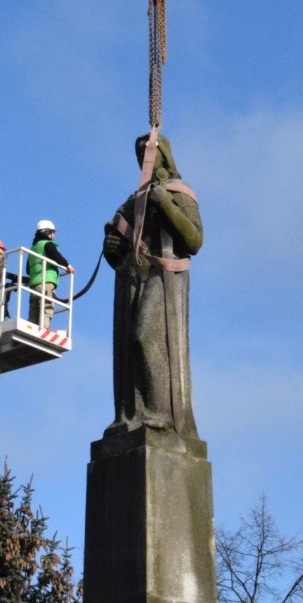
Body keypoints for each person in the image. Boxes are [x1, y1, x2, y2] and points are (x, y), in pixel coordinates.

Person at [103, 132, 202, 437]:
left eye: (146, 151)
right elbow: (116, 247)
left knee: (145, 336)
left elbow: (194, 241)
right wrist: (112, 245)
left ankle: (163, 414)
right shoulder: (131, 202)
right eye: (138, 153)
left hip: (164, 274)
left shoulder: (179, 192)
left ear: (163, 155)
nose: (141, 158)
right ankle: (132, 415)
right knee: (128, 349)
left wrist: (166, 205)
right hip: (131, 278)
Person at [27, 221, 74, 328]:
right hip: (46, 282)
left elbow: (27, 269)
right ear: (47, 232)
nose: (54, 236)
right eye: (52, 232)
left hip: (34, 285)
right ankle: (44, 328)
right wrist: (67, 265)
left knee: (34, 311)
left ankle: (31, 328)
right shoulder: (47, 244)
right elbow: (56, 256)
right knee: (46, 307)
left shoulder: (33, 249)